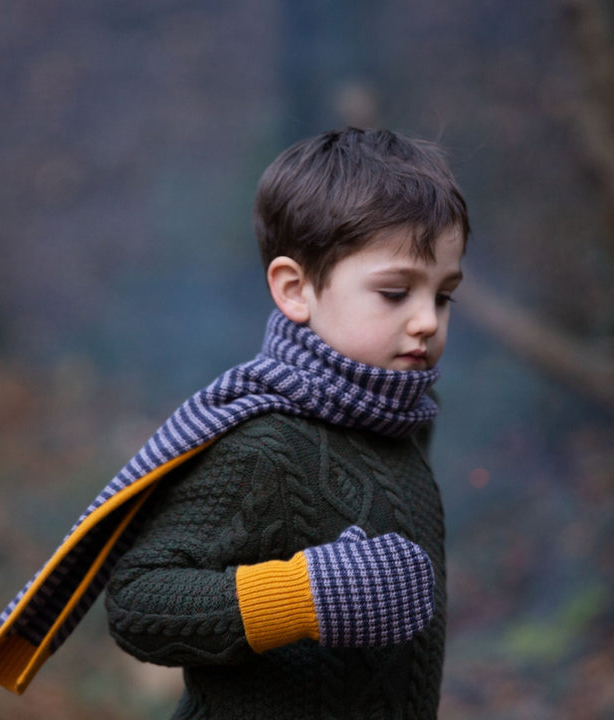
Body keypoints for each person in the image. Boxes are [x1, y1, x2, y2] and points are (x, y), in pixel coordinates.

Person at [104, 127, 470, 719]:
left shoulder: (399, 427)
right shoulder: (267, 445)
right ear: (295, 290)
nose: (427, 320)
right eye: (396, 291)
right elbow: (138, 602)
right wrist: (303, 597)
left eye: (444, 296)